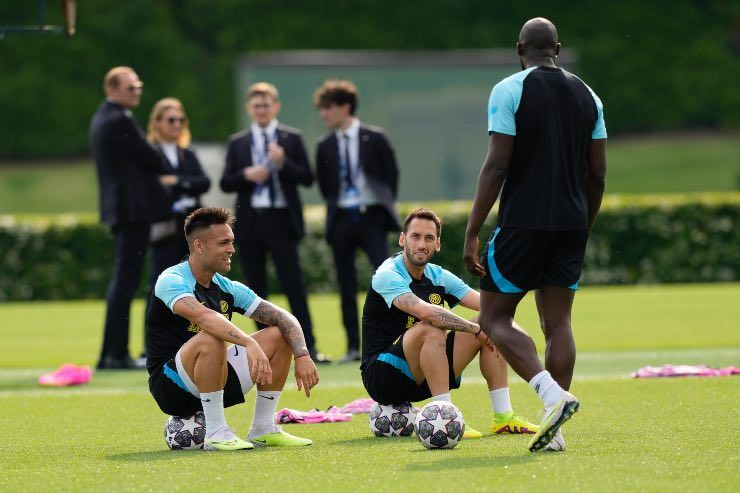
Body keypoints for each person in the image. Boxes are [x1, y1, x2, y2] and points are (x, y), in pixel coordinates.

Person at [463, 18, 608, 452]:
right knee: (558, 323)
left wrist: (472, 231)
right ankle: (554, 431)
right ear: (558, 49)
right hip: (572, 223)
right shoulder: (590, 96)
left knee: (493, 318)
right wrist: (585, 223)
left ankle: (551, 396)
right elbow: (597, 173)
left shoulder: (509, 89)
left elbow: (497, 164)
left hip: (523, 223)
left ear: (519, 49)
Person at [146, 207, 319, 450]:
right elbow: (205, 318)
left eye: (232, 242)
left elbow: (283, 317)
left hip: (215, 378)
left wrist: (302, 354)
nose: (232, 250)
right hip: (172, 386)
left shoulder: (227, 287)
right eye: (224, 243)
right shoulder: (171, 279)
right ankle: (216, 432)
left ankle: (263, 428)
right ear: (199, 245)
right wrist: (249, 342)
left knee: (279, 334)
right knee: (211, 337)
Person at [361, 208, 537, 437]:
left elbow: (489, 305)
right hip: (382, 375)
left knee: (490, 324)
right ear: (403, 239)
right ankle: (445, 417)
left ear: (438, 244)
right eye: (415, 236)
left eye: (429, 238)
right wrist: (475, 328)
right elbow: (427, 313)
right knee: (431, 327)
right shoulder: (388, 274)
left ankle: (504, 417)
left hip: (423, 374)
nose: (421, 244)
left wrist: (509, 330)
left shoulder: (438, 275)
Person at [220, 83, 327, 363]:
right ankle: (265, 348)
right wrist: (246, 174)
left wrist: (283, 163)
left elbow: (307, 177)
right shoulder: (239, 142)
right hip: (252, 221)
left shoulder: (291, 138)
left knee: (294, 285)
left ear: (275, 106)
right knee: (254, 289)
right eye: (256, 105)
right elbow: (226, 181)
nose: (262, 110)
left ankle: (308, 347)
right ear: (249, 109)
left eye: (266, 105)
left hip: (281, 219)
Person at [90, 66, 175, 370]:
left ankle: (112, 352)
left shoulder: (105, 117)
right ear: (112, 90)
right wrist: (167, 168)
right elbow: (151, 157)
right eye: (130, 88)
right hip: (131, 211)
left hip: (122, 209)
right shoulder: (118, 120)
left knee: (123, 281)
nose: (137, 92)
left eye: (138, 86)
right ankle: (115, 354)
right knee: (125, 281)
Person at [315, 79, 401, 363]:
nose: (323, 114)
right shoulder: (324, 145)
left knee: (387, 277)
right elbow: (327, 187)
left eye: (328, 108)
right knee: (346, 284)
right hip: (341, 218)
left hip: (371, 217)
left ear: (345, 106)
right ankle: (354, 346)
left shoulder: (375, 138)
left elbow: (390, 177)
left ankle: (395, 341)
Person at [141, 97, 211, 363]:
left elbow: (203, 182)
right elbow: (152, 187)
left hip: (190, 227)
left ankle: (191, 339)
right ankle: (153, 345)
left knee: (196, 282)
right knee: (159, 284)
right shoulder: (152, 153)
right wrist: (184, 185)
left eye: (180, 119)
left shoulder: (187, 153)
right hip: (165, 227)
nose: (176, 124)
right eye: (171, 119)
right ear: (157, 122)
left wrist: (177, 181)